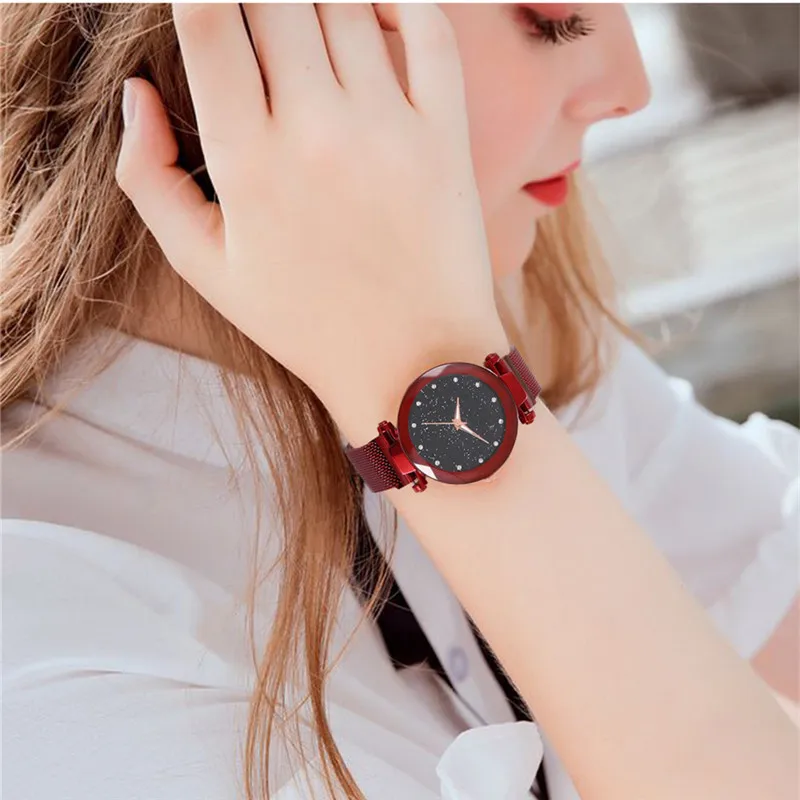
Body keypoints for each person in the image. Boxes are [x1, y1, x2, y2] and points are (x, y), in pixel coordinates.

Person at [2, 3, 797, 799]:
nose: (630, 89)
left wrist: (431, 356)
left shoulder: (479, 318)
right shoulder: (57, 662)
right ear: (266, 29)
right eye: (545, 19)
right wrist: (429, 366)